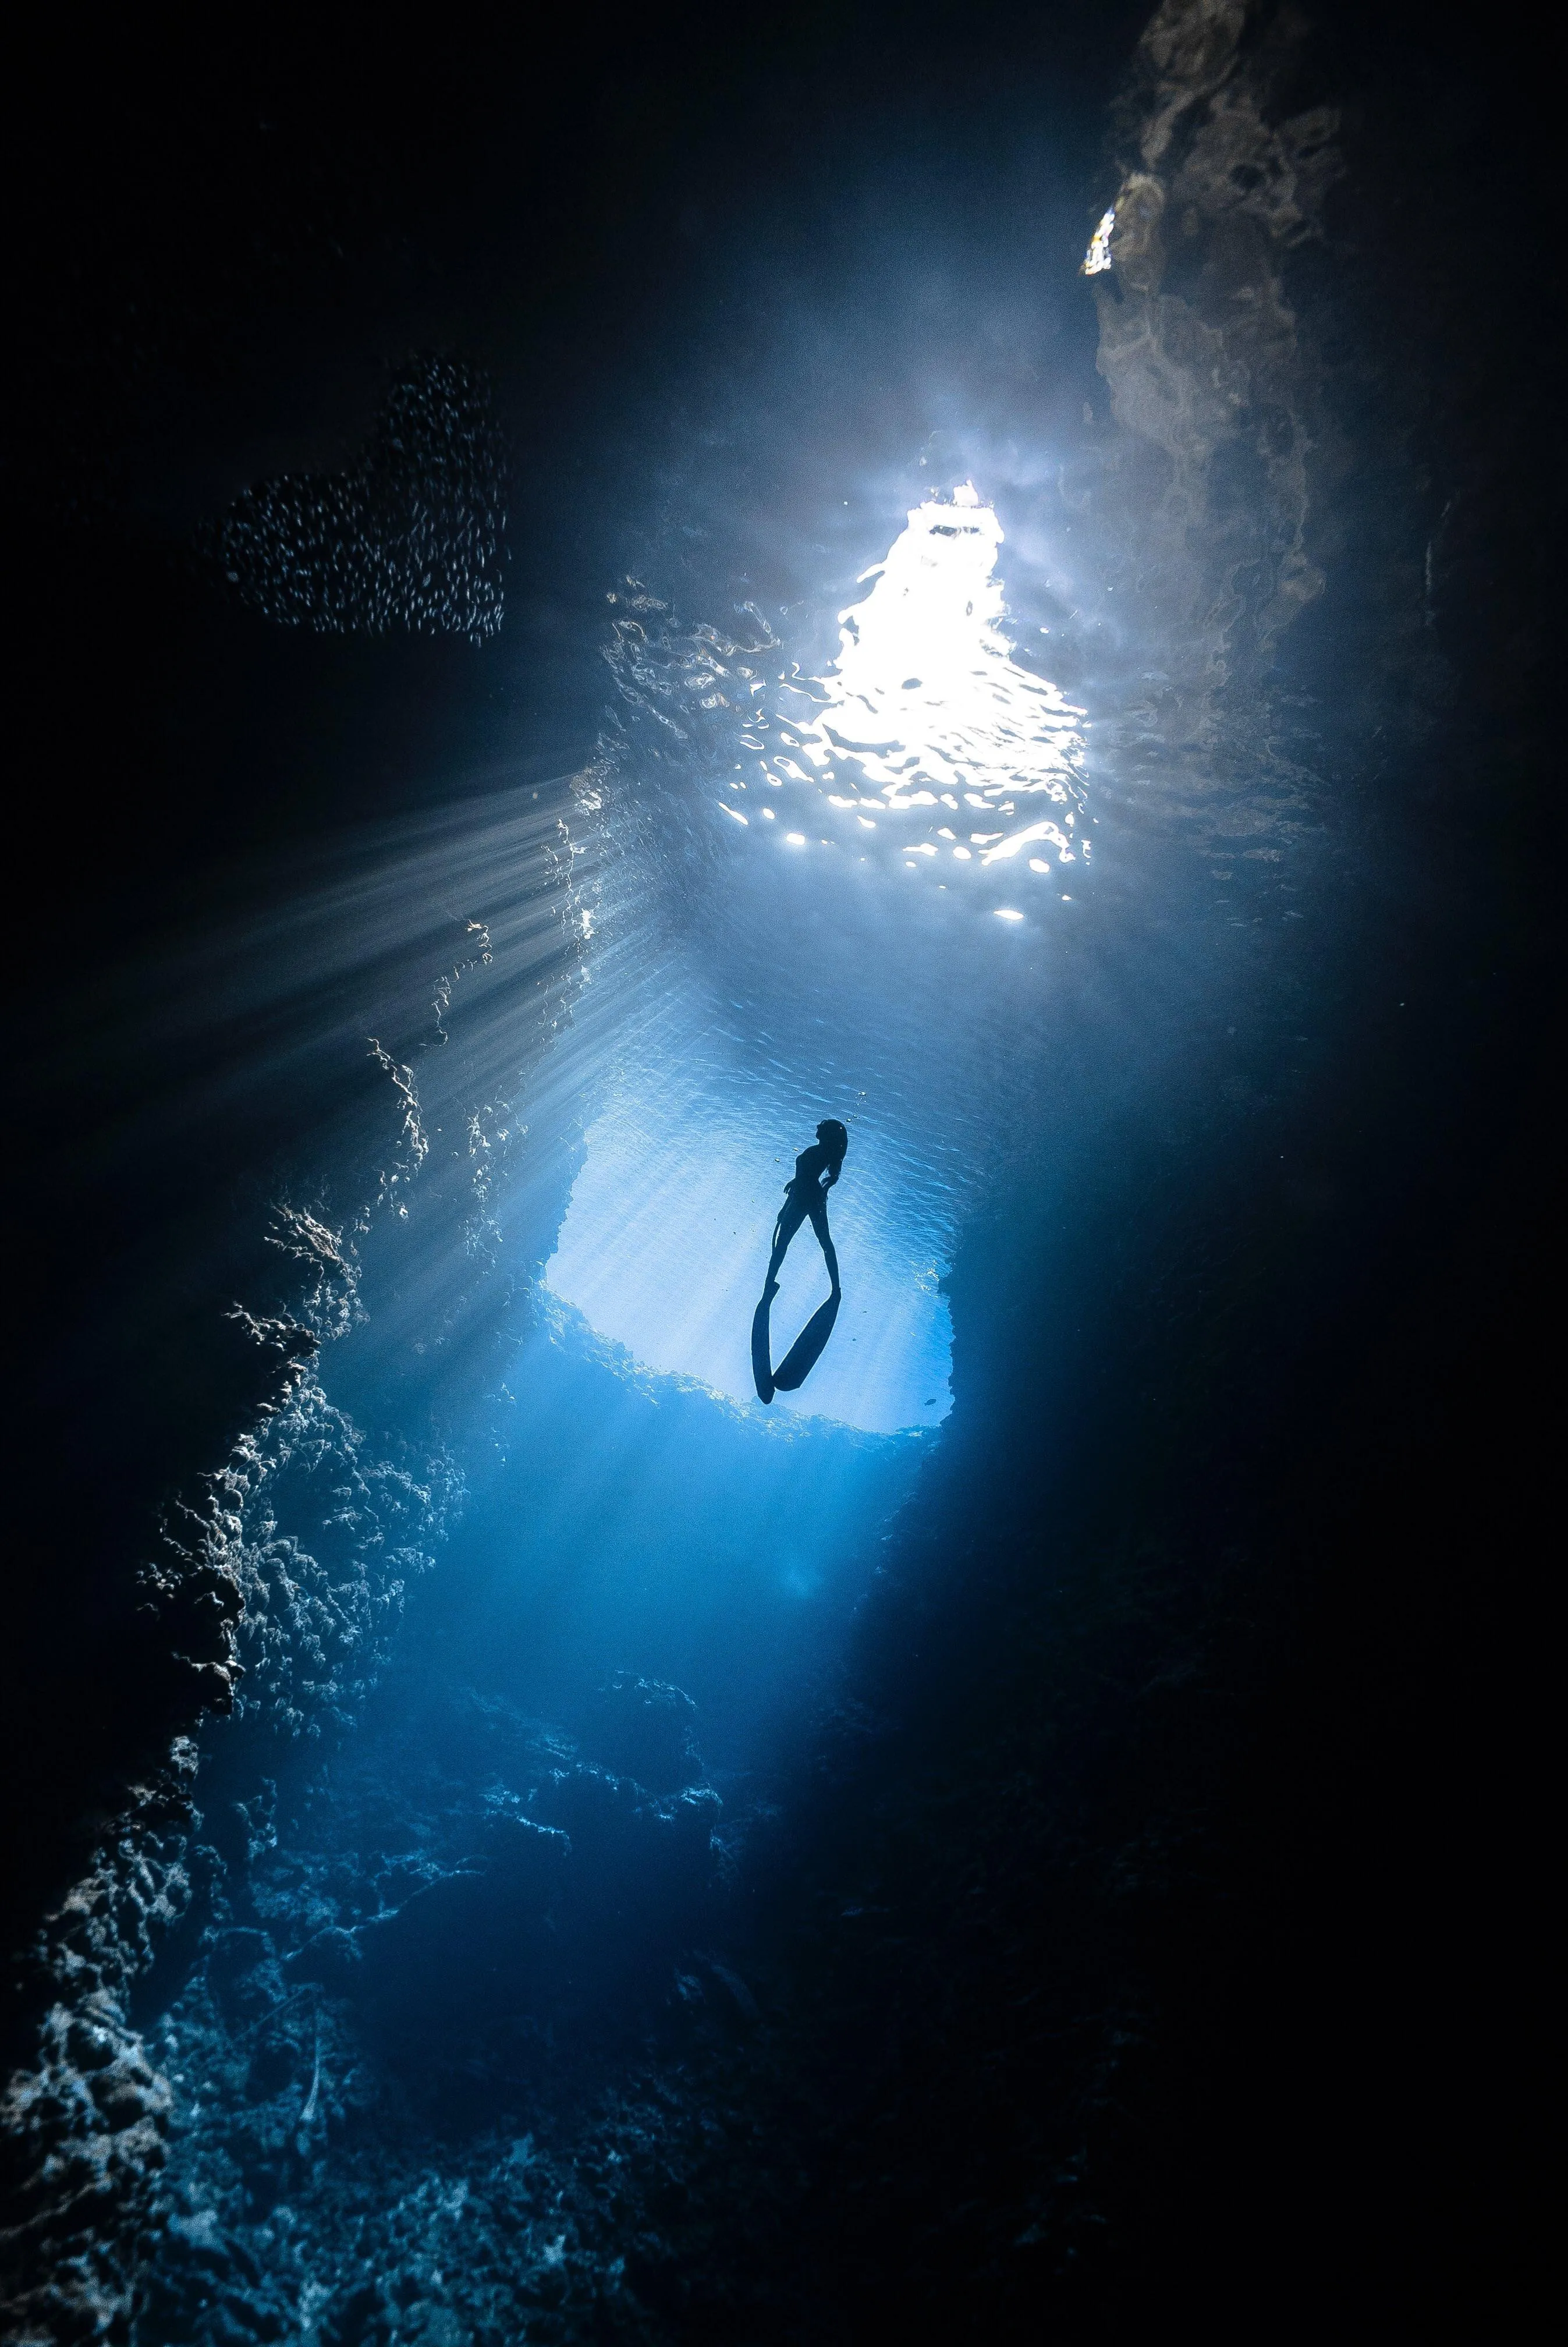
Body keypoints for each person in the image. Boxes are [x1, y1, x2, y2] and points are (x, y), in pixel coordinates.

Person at [765, 1119, 847, 1299]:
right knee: (823, 1241)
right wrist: (785, 1206)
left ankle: (769, 1283)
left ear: (827, 1135)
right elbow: (803, 1178)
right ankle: (836, 1289)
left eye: (822, 1126)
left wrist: (793, 1189)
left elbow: (807, 1177)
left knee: (785, 1242)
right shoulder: (818, 1151)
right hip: (806, 1197)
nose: (818, 1127)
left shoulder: (821, 1152)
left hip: (805, 1197)